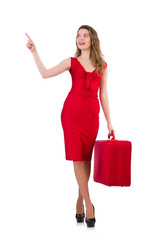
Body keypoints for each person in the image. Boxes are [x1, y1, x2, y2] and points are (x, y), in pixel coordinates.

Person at [25, 25, 115, 227]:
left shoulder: (103, 66)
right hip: (72, 114)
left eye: (85, 35)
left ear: (93, 40)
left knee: (87, 160)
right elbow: (45, 73)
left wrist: (109, 121)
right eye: (78, 36)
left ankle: (79, 202)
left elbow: (104, 96)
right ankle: (90, 205)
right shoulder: (71, 62)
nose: (80, 38)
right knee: (77, 158)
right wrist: (34, 51)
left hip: (92, 116)